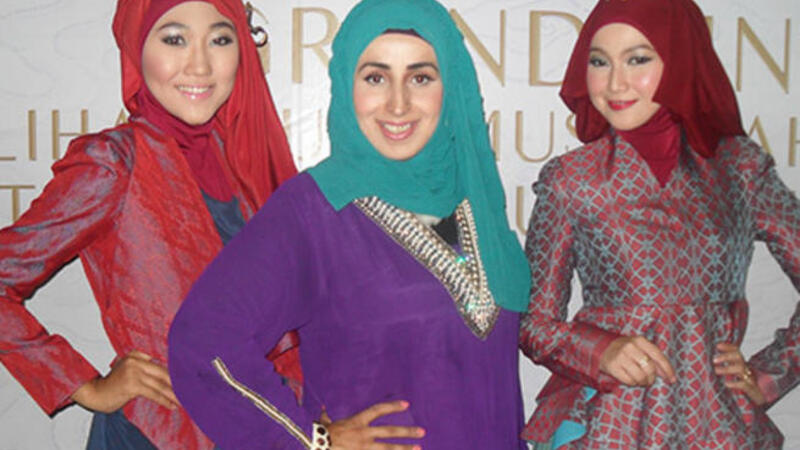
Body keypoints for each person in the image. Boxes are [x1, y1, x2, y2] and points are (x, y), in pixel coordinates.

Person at [167, 0, 531, 448]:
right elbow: (203, 342)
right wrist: (312, 440)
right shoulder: (312, 210)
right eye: (375, 78)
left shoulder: (474, 191)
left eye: (420, 77)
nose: (398, 103)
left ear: (450, 85)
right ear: (346, 84)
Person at [0, 0, 299, 448]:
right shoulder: (114, 163)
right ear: (137, 49)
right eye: (175, 39)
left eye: (220, 39)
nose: (200, 65)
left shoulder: (249, 164)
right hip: (158, 434)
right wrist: (87, 386)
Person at [519, 0, 800, 448]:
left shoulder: (739, 169)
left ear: (680, 61)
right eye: (599, 62)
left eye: (637, 59)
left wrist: (769, 374)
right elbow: (533, 323)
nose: (615, 82)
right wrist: (600, 350)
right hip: (609, 419)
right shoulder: (572, 180)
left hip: (715, 421)